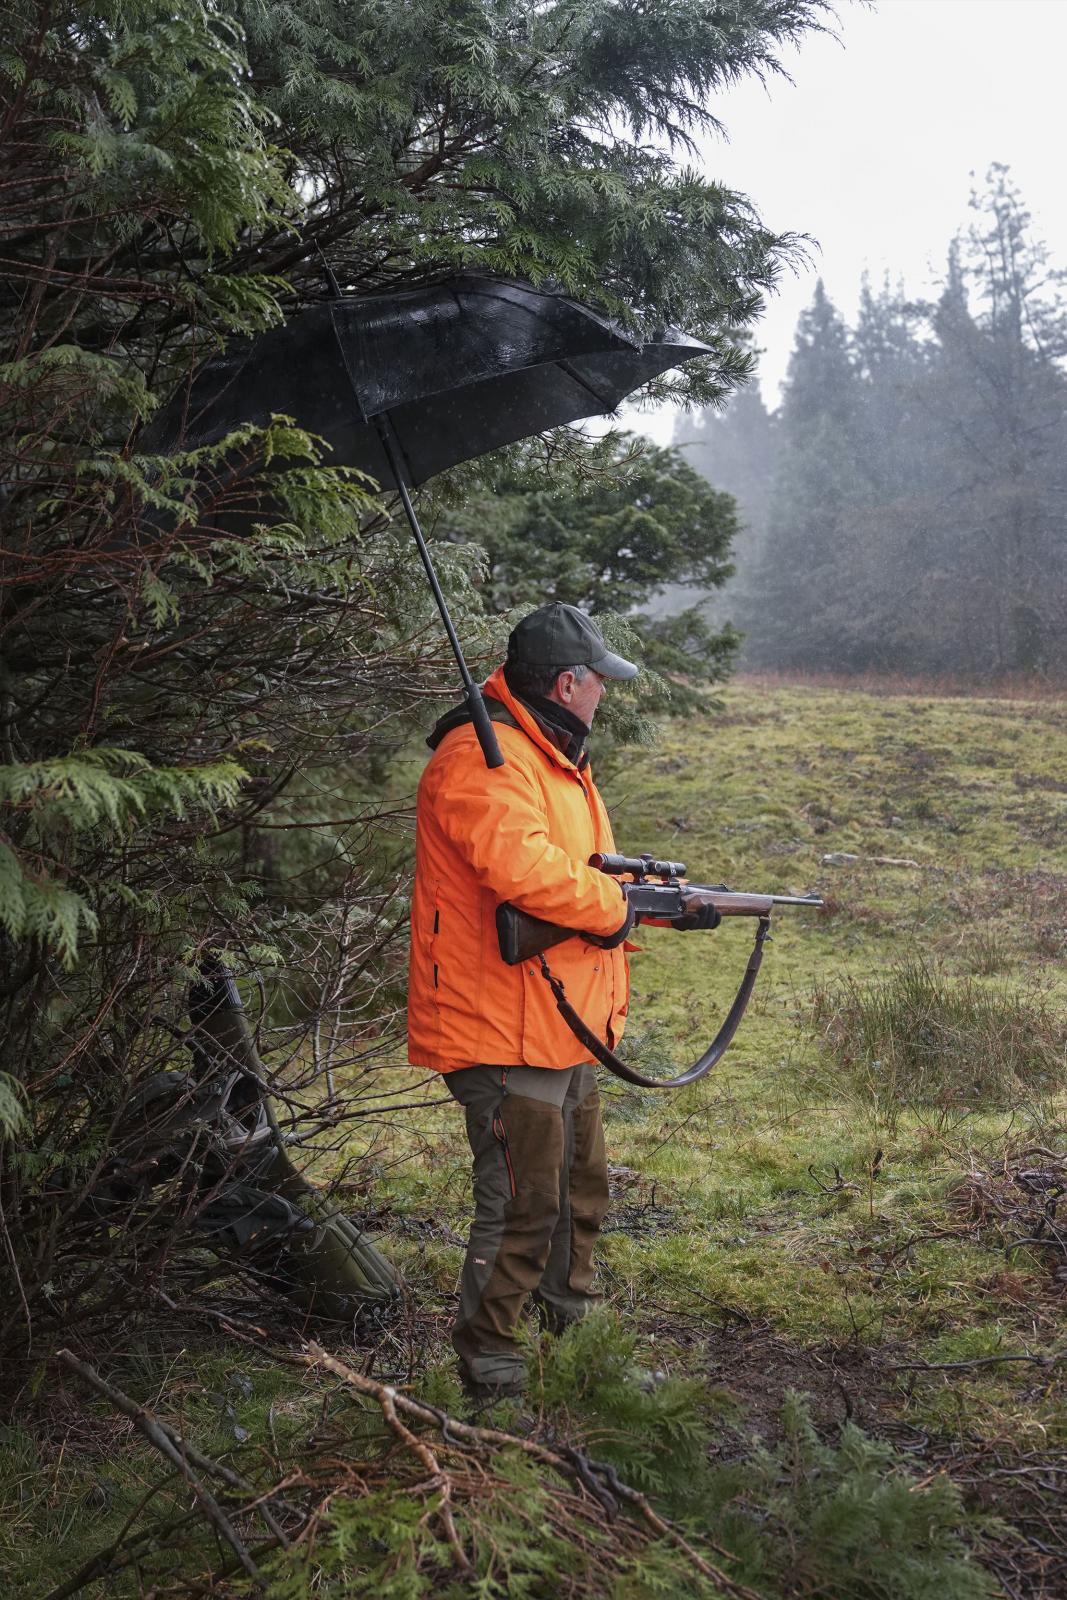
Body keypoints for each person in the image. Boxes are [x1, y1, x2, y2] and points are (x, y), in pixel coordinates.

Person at [408, 602, 638, 1397]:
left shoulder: (550, 756)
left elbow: (580, 867)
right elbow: (527, 872)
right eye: (599, 681)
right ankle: (491, 1373)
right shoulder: (482, 755)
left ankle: (568, 1342)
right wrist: (615, 909)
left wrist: (639, 891)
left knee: (578, 1191)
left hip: (556, 1020)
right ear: (568, 683)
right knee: (518, 1204)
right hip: (500, 1026)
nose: (604, 694)